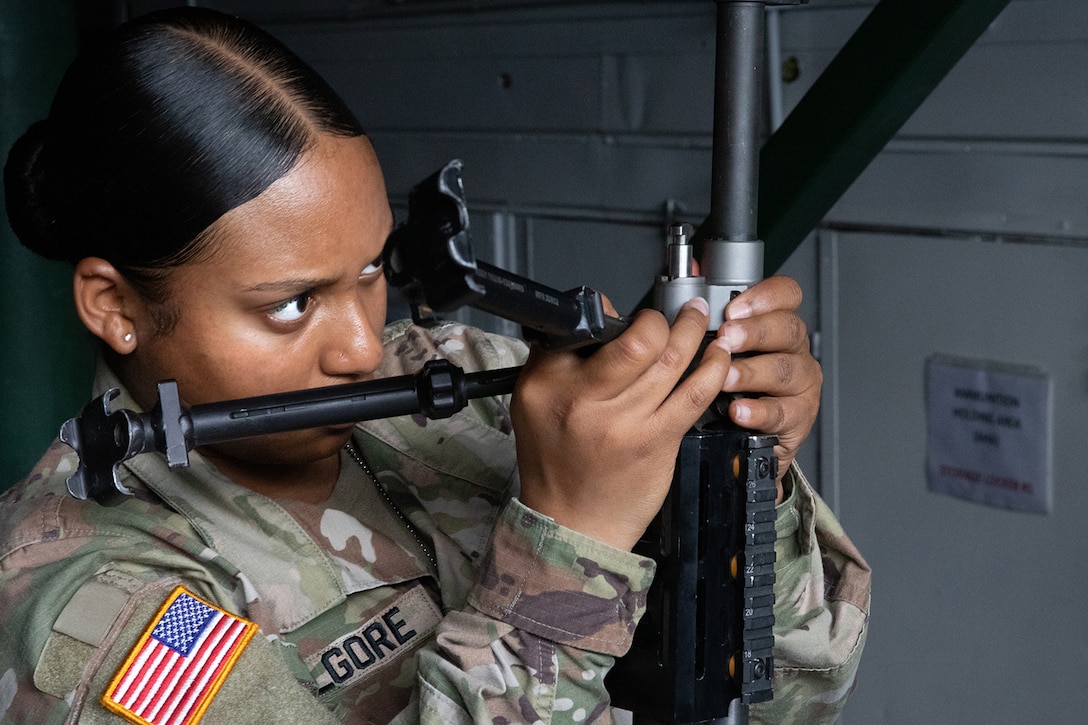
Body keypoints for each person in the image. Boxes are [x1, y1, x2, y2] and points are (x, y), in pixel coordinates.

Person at [0, 6, 870, 724]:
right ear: (114, 307)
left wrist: (727, 469)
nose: (360, 346)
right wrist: (568, 548)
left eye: (372, 270)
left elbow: (794, 697)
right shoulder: (96, 608)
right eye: (291, 304)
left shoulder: (463, 383)